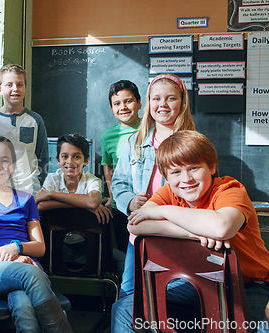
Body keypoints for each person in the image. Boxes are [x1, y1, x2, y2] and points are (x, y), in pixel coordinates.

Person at [112, 130, 269, 333]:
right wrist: (193, 234)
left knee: (257, 327)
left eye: (194, 168)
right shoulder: (169, 192)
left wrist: (164, 210)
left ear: (212, 167)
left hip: (249, 284)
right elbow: (134, 225)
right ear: (167, 176)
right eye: (176, 172)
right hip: (196, 283)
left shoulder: (231, 191)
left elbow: (221, 227)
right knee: (125, 309)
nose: (186, 179)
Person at [0, 136, 73, 333]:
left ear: (11, 166)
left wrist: (17, 248)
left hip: (27, 264)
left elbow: (40, 247)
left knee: (22, 302)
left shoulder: (26, 199)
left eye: (4, 160)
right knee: (29, 273)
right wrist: (10, 257)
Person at [111, 74, 195, 299]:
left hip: (175, 235)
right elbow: (119, 182)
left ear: (182, 102)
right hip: (138, 236)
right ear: (148, 103)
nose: (163, 105)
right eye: (156, 98)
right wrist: (129, 200)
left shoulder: (192, 144)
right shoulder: (136, 142)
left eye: (171, 98)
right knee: (129, 293)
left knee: (169, 295)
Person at [0, 64, 48, 195]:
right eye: (9, 85)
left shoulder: (35, 120)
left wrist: (40, 186)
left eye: (20, 84)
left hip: (30, 190)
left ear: (25, 88)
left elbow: (43, 157)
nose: (15, 89)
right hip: (0, 191)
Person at [100, 80, 141, 253]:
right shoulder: (108, 136)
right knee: (127, 253)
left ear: (139, 103)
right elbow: (107, 166)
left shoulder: (152, 129)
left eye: (128, 101)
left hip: (148, 202)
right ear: (111, 108)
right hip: (121, 206)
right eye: (117, 103)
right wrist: (111, 195)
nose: (122, 107)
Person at [36, 133, 111, 224]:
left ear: (86, 160)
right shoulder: (52, 178)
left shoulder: (93, 180)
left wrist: (51, 194)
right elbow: (41, 205)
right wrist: (85, 205)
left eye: (76, 156)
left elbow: (92, 201)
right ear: (58, 160)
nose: (70, 161)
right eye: (65, 156)